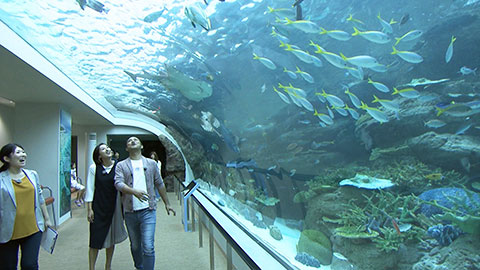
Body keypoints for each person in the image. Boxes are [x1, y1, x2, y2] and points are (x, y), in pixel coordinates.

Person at [115, 137, 175, 270]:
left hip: (148, 210)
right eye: (129, 141)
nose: (132, 141)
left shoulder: (151, 164)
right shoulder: (121, 165)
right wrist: (133, 191)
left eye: (135, 140)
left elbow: (159, 183)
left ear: (141, 146)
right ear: (126, 148)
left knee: (148, 246)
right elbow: (118, 183)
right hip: (130, 212)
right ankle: (139, 266)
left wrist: (167, 203)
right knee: (135, 245)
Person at [0, 143, 53, 270]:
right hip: (8, 231)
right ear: (6, 158)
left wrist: (47, 219)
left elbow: (40, 198)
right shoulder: (1, 179)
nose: (23, 155)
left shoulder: (32, 174)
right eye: (18, 152)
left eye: (23, 152)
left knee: (30, 265)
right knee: (8, 266)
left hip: (33, 228)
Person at [85, 143, 127, 270]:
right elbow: (90, 189)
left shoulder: (118, 166)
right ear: (99, 156)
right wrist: (89, 209)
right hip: (98, 206)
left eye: (108, 147)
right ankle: (91, 267)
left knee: (111, 238)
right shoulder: (94, 168)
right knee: (95, 239)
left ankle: (107, 266)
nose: (107, 149)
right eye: (103, 149)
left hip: (114, 206)